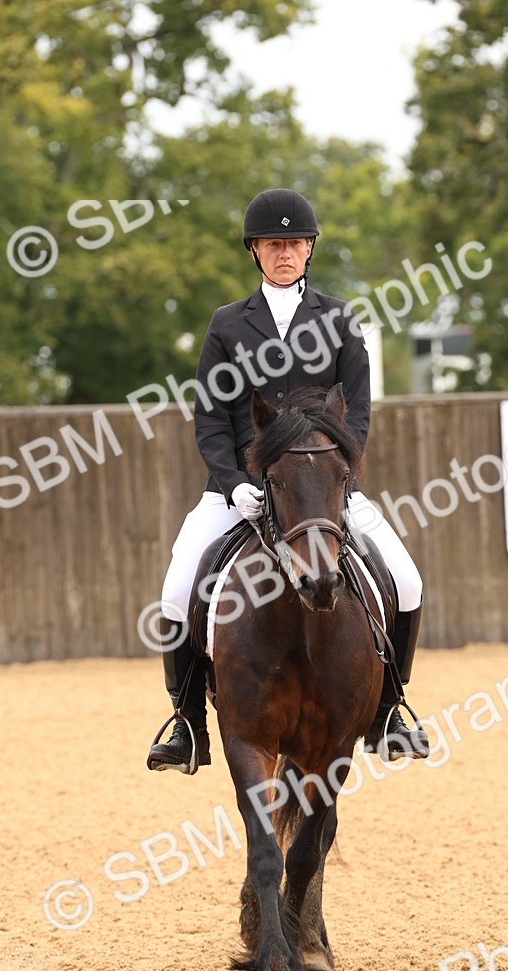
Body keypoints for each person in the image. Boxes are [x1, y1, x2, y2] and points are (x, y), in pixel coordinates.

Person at [147, 188, 428, 773]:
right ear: (255, 250)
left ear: (308, 250)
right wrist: (232, 483)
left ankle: (388, 712)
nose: (284, 252)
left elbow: (357, 415)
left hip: (322, 492)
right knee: (177, 590)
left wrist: (339, 479)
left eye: (294, 243)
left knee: (406, 581)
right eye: (273, 243)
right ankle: (188, 726)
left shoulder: (339, 319)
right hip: (242, 491)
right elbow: (209, 417)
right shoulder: (227, 325)